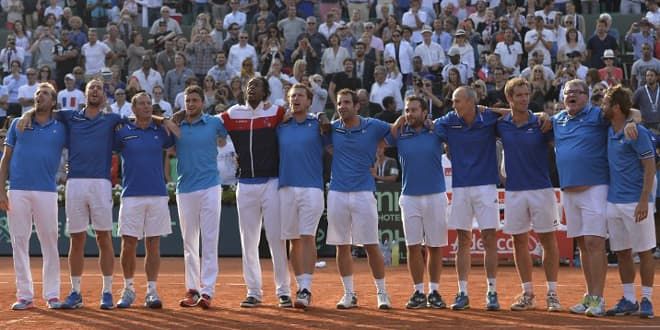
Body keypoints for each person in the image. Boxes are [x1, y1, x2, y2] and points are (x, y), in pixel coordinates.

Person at [19, 79, 131, 310]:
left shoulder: (112, 119)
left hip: (100, 183)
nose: (95, 92)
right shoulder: (69, 116)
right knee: (77, 238)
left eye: (99, 89)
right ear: (85, 95)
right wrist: (26, 114)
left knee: (103, 237)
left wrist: (167, 120)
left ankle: (107, 291)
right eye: (91, 89)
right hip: (75, 183)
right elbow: (43, 108)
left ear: (104, 95)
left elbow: (138, 119)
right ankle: (76, 291)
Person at [552, 79, 638, 317]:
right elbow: (525, 116)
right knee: (582, 245)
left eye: (577, 93)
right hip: (569, 190)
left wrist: (632, 121)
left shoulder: (599, 116)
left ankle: (599, 299)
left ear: (587, 96)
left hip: (595, 188)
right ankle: (590, 296)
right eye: (568, 93)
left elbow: (633, 112)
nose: (572, 96)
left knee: (595, 244)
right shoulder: (556, 119)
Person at [219, 77, 291, 308]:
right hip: (245, 184)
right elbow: (208, 123)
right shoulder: (233, 113)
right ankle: (253, 291)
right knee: (248, 241)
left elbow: (298, 115)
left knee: (276, 239)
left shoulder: (277, 112)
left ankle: (284, 291)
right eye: (249, 85)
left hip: (271, 182)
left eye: (257, 85)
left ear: (266, 92)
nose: (251, 88)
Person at [497, 77, 562, 312]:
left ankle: (552, 293)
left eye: (527, 94)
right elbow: (488, 112)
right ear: (510, 99)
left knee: (548, 240)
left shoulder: (542, 123)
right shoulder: (502, 124)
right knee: (519, 241)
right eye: (519, 95)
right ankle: (528, 293)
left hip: (542, 189)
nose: (524, 99)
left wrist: (544, 116)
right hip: (514, 191)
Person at [0, 83, 66, 310]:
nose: (40, 97)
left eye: (45, 94)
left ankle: (52, 294)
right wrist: (1, 190)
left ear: (53, 101)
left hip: (46, 190)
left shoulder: (61, 126)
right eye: (38, 94)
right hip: (17, 189)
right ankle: (24, 295)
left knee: (50, 243)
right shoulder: (19, 124)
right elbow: (5, 159)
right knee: (19, 242)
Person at [434, 86, 500, 311]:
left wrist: (489, 108)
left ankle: (492, 291)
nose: (454, 106)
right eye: (453, 101)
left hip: (486, 186)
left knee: (489, 238)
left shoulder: (489, 117)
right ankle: (462, 292)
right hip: (461, 187)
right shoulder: (449, 120)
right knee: (463, 240)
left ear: (472, 102)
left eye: (458, 101)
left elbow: (513, 114)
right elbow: (428, 126)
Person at [328, 88, 393, 310]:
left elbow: (395, 133)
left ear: (357, 106)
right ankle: (348, 294)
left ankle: (382, 293)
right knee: (342, 245)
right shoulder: (332, 128)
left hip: (364, 192)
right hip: (337, 191)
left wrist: (380, 146)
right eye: (339, 103)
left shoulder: (373, 125)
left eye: (346, 102)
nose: (342, 106)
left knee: (371, 244)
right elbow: (323, 142)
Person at [113, 92, 175, 309]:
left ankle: (151, 290)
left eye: (149, 103)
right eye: (142, 103)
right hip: (131, 194)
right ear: (134, 108)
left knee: (153, 244)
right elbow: (104, 151)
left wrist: (162, 119)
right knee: (128, 243)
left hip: (157, 194)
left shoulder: (161, 131)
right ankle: (128, 289)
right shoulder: (122, 132)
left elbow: (178, 131)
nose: (147, 106)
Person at [387, 96, 448, 309]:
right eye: (407, 110)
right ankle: (418, 292)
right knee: (413, 247)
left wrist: (436, 126)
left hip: (435, 196)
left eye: (414, 110)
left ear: (424, 112)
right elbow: (386, 137)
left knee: (434, 247)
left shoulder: (437, 131)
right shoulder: (400, 134)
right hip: (409, 197)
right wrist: (397, 123)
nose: (410, 114)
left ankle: (434, 291)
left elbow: (452, 140)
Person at [601, 85, 656, 319]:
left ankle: (646, 299)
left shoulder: (637, 132)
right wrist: (633, 117)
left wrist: (644, 201)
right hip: (613, 202)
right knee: (622, 253)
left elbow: (650, 168)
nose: (601, 107)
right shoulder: (608, 128)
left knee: (644, 252)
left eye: (605, 103)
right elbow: (633, 112)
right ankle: (629, 299)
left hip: (636, 202)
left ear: (615, 107)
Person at [170, 85, 227, 309]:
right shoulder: (176, 126)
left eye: (194, 100)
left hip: (210, 187)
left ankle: (207, 291)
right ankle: (192, 290)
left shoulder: (214, 122)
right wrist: (170, 119)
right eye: (187, 101)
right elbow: (154, 121)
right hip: (185, 189)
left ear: (202, 102)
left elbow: (230, 135)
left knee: (210, 241)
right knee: (189, 243)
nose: (191, 104)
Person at [277, 84, 327, 309]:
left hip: (312, 188)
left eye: (299, 96)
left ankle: (306, 288)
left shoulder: (319, 125)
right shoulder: (280, 126)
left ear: (309, 101)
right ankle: (299, 286)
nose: (295, 99)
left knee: (307, 236)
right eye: (291, 96)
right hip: (285, 187)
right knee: (293, 239)